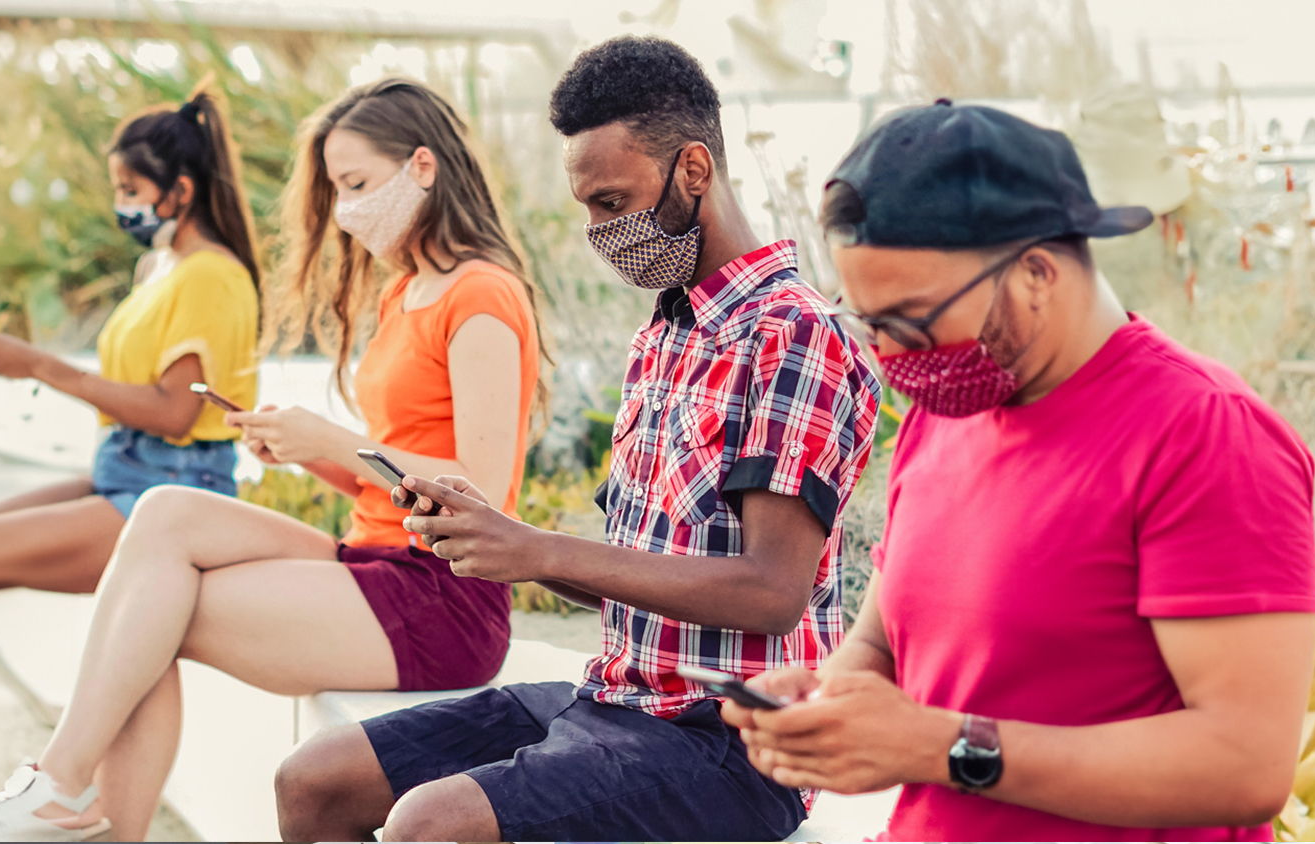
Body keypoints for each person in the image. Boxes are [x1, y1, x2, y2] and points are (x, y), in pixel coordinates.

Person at [273, 36, 882, 843]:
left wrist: (540, 551)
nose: (601, 231)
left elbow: (771, 593)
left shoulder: (793, 335)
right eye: (588, 207)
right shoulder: (662, 338)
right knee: (314, 781)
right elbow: (636, 574)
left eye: (612, 201)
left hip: (733, 742)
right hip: (614, 698)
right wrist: (496, 541)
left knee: (431, 823)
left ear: (693, 171)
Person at [0, 78, 546, 843]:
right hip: (375, 557)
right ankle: (61, 790)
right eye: (336, 188)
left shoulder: (481, 294)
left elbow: (480, 487)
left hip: (444, 597)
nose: (346, 207)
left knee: (151, 614)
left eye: (356, 184)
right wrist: (302, 452)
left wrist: (333, 439)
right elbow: (391, 476)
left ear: (423, 165)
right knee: (165, 515)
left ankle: (64, 795)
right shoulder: (405, 293)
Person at [726, 101, 1315, 841]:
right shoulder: (947, 411)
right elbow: (881, 644)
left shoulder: (1204, 434)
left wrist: (940, 746)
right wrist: (824, 705)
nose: (887, 353)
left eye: (910, 319)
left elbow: (1243, 767)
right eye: (866, 321)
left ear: (1037, 271)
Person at [0, 82, 260, 843]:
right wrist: (13, 360)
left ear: (181, 191)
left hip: (173, 489)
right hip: (124, 470)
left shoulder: (213, 276)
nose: (121, 204)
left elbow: (174, 410)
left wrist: (37, 366)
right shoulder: (156, 272)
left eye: (132, 190)